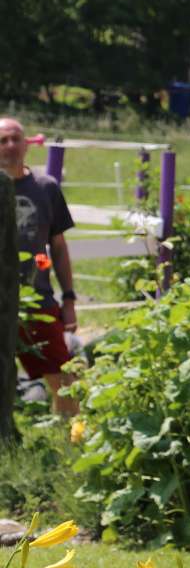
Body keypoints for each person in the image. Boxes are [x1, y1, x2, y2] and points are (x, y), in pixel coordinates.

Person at [0, 118, 79, 418]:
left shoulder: (45, 188)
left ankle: (69, 444)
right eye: (2, 140)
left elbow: (57, 248)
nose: (9, 146)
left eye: (15, 139)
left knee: (64, 378)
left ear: (26, 144)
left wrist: (69, 299)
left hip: (37, 302)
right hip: (1, 299)